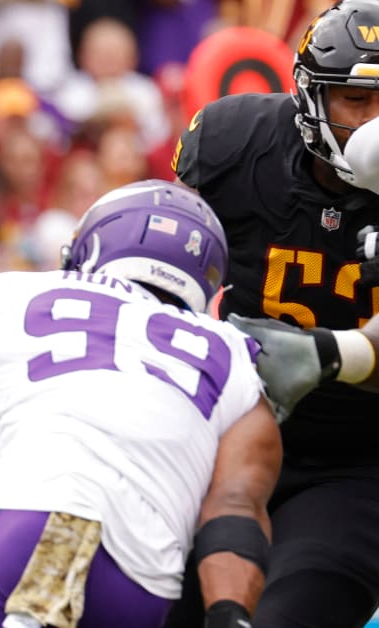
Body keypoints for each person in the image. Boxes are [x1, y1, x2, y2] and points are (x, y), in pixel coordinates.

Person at [0, 180, 281, 628]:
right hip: (140, 587)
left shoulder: (17, 294)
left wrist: (18, 403)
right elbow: (236, 509)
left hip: (33, 528)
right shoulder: (233, 353)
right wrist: (230, 614)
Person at [165, 2, 379, 625]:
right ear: (311, 100)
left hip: (355, 462)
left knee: (289, 615)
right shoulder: (236, 143)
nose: (375, 122)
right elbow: (164, 251)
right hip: (222, 438)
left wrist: (328, 356)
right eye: (356, 101)